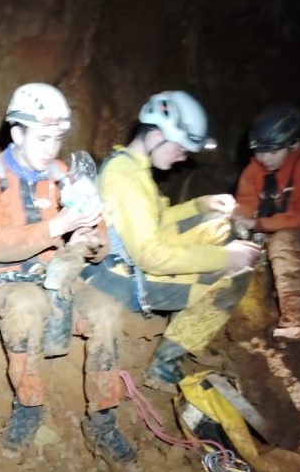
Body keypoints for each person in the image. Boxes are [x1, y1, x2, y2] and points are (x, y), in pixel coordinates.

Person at [0, 83, 140, 472]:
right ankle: (28, 406)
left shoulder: (63, 174)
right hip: (6, 286)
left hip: (60, 281)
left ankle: (102, 419)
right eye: (42, 138)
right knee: (27, 305)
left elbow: (100, 241)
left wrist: (89, 240)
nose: (51, 148)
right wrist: (56, 226)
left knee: (107, 313)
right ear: (17, 133)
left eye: (58, 138)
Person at [85, 91, 260, 392]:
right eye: (180, 148)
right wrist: (226, 258)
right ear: (156, 135)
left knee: (216, 224)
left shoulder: (131, 165)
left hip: (125, 262)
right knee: (236, 274)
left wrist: (200, 205)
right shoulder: (124, 178)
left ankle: (188, 329)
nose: (183, 158)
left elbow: (157, 220)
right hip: (120, 279)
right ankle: (164, 365)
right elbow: (151, 257)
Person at [233, 103, 300, 342]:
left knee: (283, 241)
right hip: (273, 234)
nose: (263, 158)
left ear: (292, 144)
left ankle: (297, 322)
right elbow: (246, 204)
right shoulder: (254, 170)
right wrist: (238, 221)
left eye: (271, 152)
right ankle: (249, 316)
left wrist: (258, 224)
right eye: (259, 151)